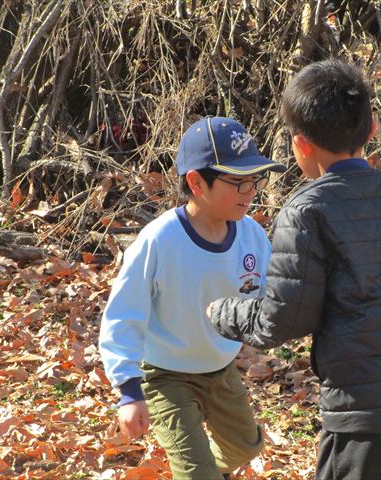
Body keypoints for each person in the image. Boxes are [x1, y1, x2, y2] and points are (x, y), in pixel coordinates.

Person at [208, 59, 381, 480]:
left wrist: (222, 312)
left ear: (300, 145)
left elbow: (282, 319)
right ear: (372, 130)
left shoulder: (306, 210)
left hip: (365, 408)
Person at [99, 116, 286, 480]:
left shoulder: (252, 236)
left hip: (220, 368)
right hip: (165, 375)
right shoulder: (160, 240)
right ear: (196, 182)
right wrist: (128, 390)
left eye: (255, 180)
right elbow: (123, 314)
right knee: (195, 471)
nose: (250, 191)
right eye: (237, 182)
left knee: (245, 446)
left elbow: (271, 296)